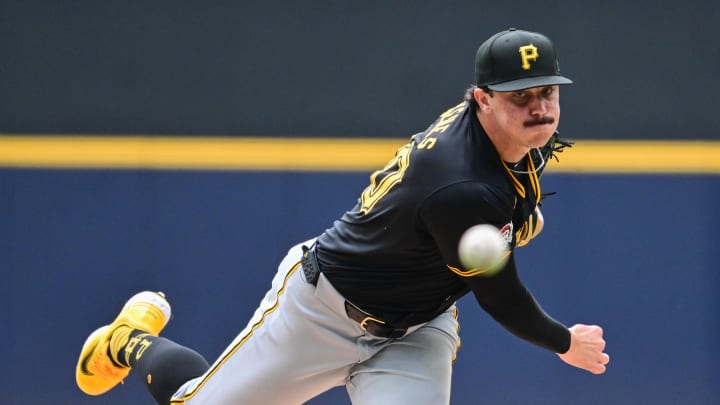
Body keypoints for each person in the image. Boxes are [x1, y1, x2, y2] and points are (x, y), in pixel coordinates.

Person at [76, 28, 609, 404]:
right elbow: (500, 295)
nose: (538, 107)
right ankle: (129, 340)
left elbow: (498, 217)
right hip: (324, 313)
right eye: (520, 97)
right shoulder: (462, 185)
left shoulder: (510, 139)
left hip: (416, 329)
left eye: (546, 92)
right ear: (482, 100)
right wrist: (564, 342)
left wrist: (509, 225)